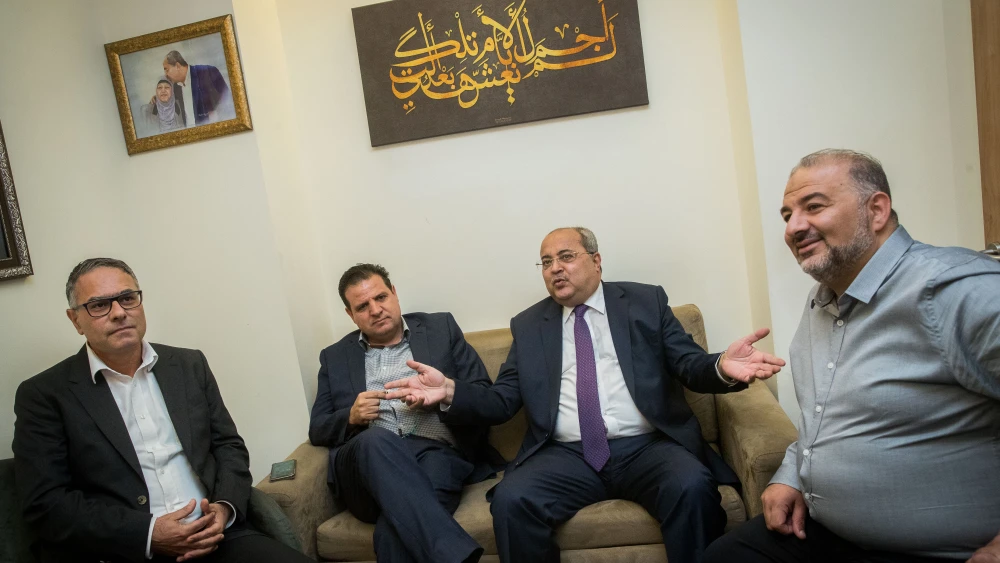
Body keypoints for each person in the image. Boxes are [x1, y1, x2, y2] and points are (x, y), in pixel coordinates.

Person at [385, 227, 785, 563]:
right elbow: (504, 399)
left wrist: (721, 367)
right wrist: (450, 391)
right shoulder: (529, 325)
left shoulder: (645, 302)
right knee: (511, 500)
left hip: (648, 447)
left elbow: (688, 364)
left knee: (692, 487)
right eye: (546, 262)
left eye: (565, 256)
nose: (555, 268)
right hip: (566, 455)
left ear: (596, 261)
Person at [703, 149, 1000, 563]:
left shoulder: (954, 291)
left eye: (814, 207)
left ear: (876, 210)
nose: (794, 227)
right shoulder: (820, 300)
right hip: (827, 532)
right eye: (787, 215)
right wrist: (790, 475)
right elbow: (824, 417)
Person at [13, 258, 312, 563]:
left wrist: (224, 508)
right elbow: (46, 503)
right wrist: (149, 533)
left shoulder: (188, 366)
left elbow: (229, 447)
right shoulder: (44, 395)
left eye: (127, 298)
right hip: (125, 551)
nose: (119, 313)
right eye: (99, 305)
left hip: (217, 536)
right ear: (75, 320)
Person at [309, 264, 501, 563]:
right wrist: (351, 416)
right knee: (376, 441)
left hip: (435, 454)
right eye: (362, 306)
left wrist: (443, 396)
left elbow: (486, 396)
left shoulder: (440, 329)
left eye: (381, 297)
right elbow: (318, 428)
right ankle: (457, 555)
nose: (375, 310)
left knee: (392, 532)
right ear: (350, 314)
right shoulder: (334, 356)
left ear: (395, 293)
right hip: (364, 470)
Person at [162, 50, 234, 126]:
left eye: (167, 70)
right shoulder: (175, 87)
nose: (166, 75)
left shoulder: (208, 72)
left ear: (177, 66)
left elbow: (228, 102)